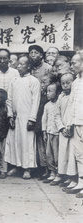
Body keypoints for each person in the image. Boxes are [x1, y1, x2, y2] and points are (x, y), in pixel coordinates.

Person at [5, 54, 40, 179]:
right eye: (18, 64)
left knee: (27, 142)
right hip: (15, 117)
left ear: (29, 66)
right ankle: (15, 165)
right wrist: (10, 115)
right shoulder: (14, 80)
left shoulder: (34, 81)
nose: (19, 66)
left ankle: (27, 168)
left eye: (22, 64)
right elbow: (9, 99)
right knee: (15, 141)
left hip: (27, 117)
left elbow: (36, 101)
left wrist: (32, 119)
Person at [54, 73, 77, 188]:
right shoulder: (61, 97)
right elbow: (56, 114)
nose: (65, 85)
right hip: (63, 130)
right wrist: (61, 127)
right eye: (63, 83)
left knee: (73, 155)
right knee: (64, 154)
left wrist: (70, 126)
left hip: (72, 130)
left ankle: (74, 177)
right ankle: (67, 176)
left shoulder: (75, 97)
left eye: (68, 82)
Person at [65, 51, 83, 197]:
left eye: (74, 62)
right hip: (77, 122)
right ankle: (81, 183)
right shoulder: (76, 82)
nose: (72, 65)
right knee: (79, 154)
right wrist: (70, 122)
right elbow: (72, 103)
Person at [35, 73, 55, 180]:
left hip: (48, 127)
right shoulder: (42, 95)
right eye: (41, 82)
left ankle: (50, 170)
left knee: (48, 149)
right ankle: (44, 170)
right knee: (41, 149)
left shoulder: (50, 98)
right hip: (40, 126)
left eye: (44, 82)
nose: (42, 85)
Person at [42, 82, 61, 184]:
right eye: (47, 91)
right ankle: (52, 172)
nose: (47, 93)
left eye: (50, 91)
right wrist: (44, 131)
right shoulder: (47, 105)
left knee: (57, 154)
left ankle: (59, 174)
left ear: (57, 93)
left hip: (57, 134)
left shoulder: (59, 104)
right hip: (49, 133)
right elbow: (44, 119)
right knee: (49, 154)